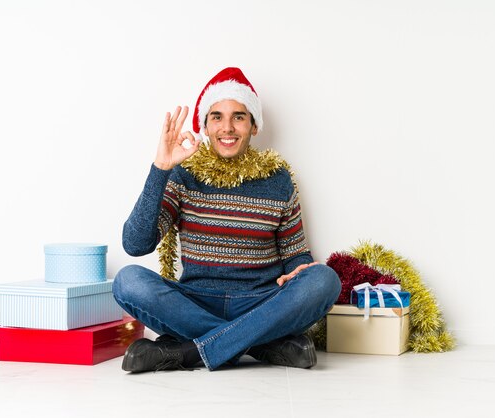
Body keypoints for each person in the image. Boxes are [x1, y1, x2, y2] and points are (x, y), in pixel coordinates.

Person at [113, 67, 341, 372]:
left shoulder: (278, 179)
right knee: (128, 281)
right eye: (217, 117)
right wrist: (161, 168)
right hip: (194, 301)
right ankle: (261, 343)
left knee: (324, 280)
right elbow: (135, 243)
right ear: (205, 126)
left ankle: (189, 352)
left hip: (261, 300)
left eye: (239, 116)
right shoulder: (184, 174)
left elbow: (295, 255)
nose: (227, 128)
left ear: (254, 125)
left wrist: (301, 269)